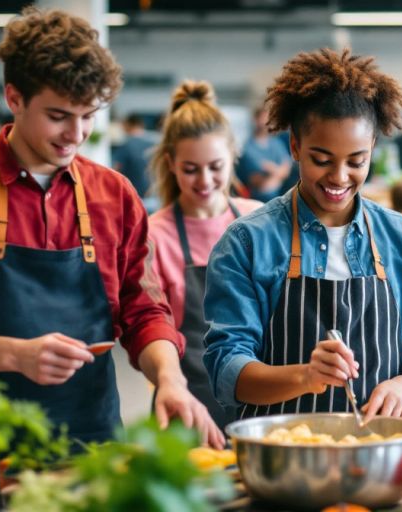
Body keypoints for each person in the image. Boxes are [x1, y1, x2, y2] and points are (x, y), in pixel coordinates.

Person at [0, 10, 224, 508]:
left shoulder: (115, 194)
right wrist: (16, 355)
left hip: (89, 441)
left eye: (89, 116)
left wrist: (171, 380)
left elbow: (143, 310)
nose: (77, 134)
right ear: (14, 98)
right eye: (59, 116)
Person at [203, 48, 402, 423]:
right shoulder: (247, 242)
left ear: (373, 148)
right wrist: (305, 376)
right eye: (322, 160)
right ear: (294, 146)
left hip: (383, 455)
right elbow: (228, 370)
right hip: (284, 458)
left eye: (356, 161)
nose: (340, 177)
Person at [147, 80, 262, 430]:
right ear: (171, 163)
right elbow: (151, 329)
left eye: (215, 166)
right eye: (190, 169)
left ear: (233, 156)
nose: (205, 180)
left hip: (260, 402)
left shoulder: (259, 221)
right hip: (186, 403)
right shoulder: (154, 235)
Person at [235, 106, 292, 202]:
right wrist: (279, 173)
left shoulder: (276, 143)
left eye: (269, 119)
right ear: (255, 120)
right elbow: (257, 181)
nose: (266, 122)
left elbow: (286, 168)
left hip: (279, 190)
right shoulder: (247, 147)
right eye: (263, 118)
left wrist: (274, 172)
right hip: (259, 196)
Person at [111, 113, 155, 199]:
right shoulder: (153, 144)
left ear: (128, 125)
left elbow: (115, 170)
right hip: (152, 194)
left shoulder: (126, 146)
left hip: (132, 194)